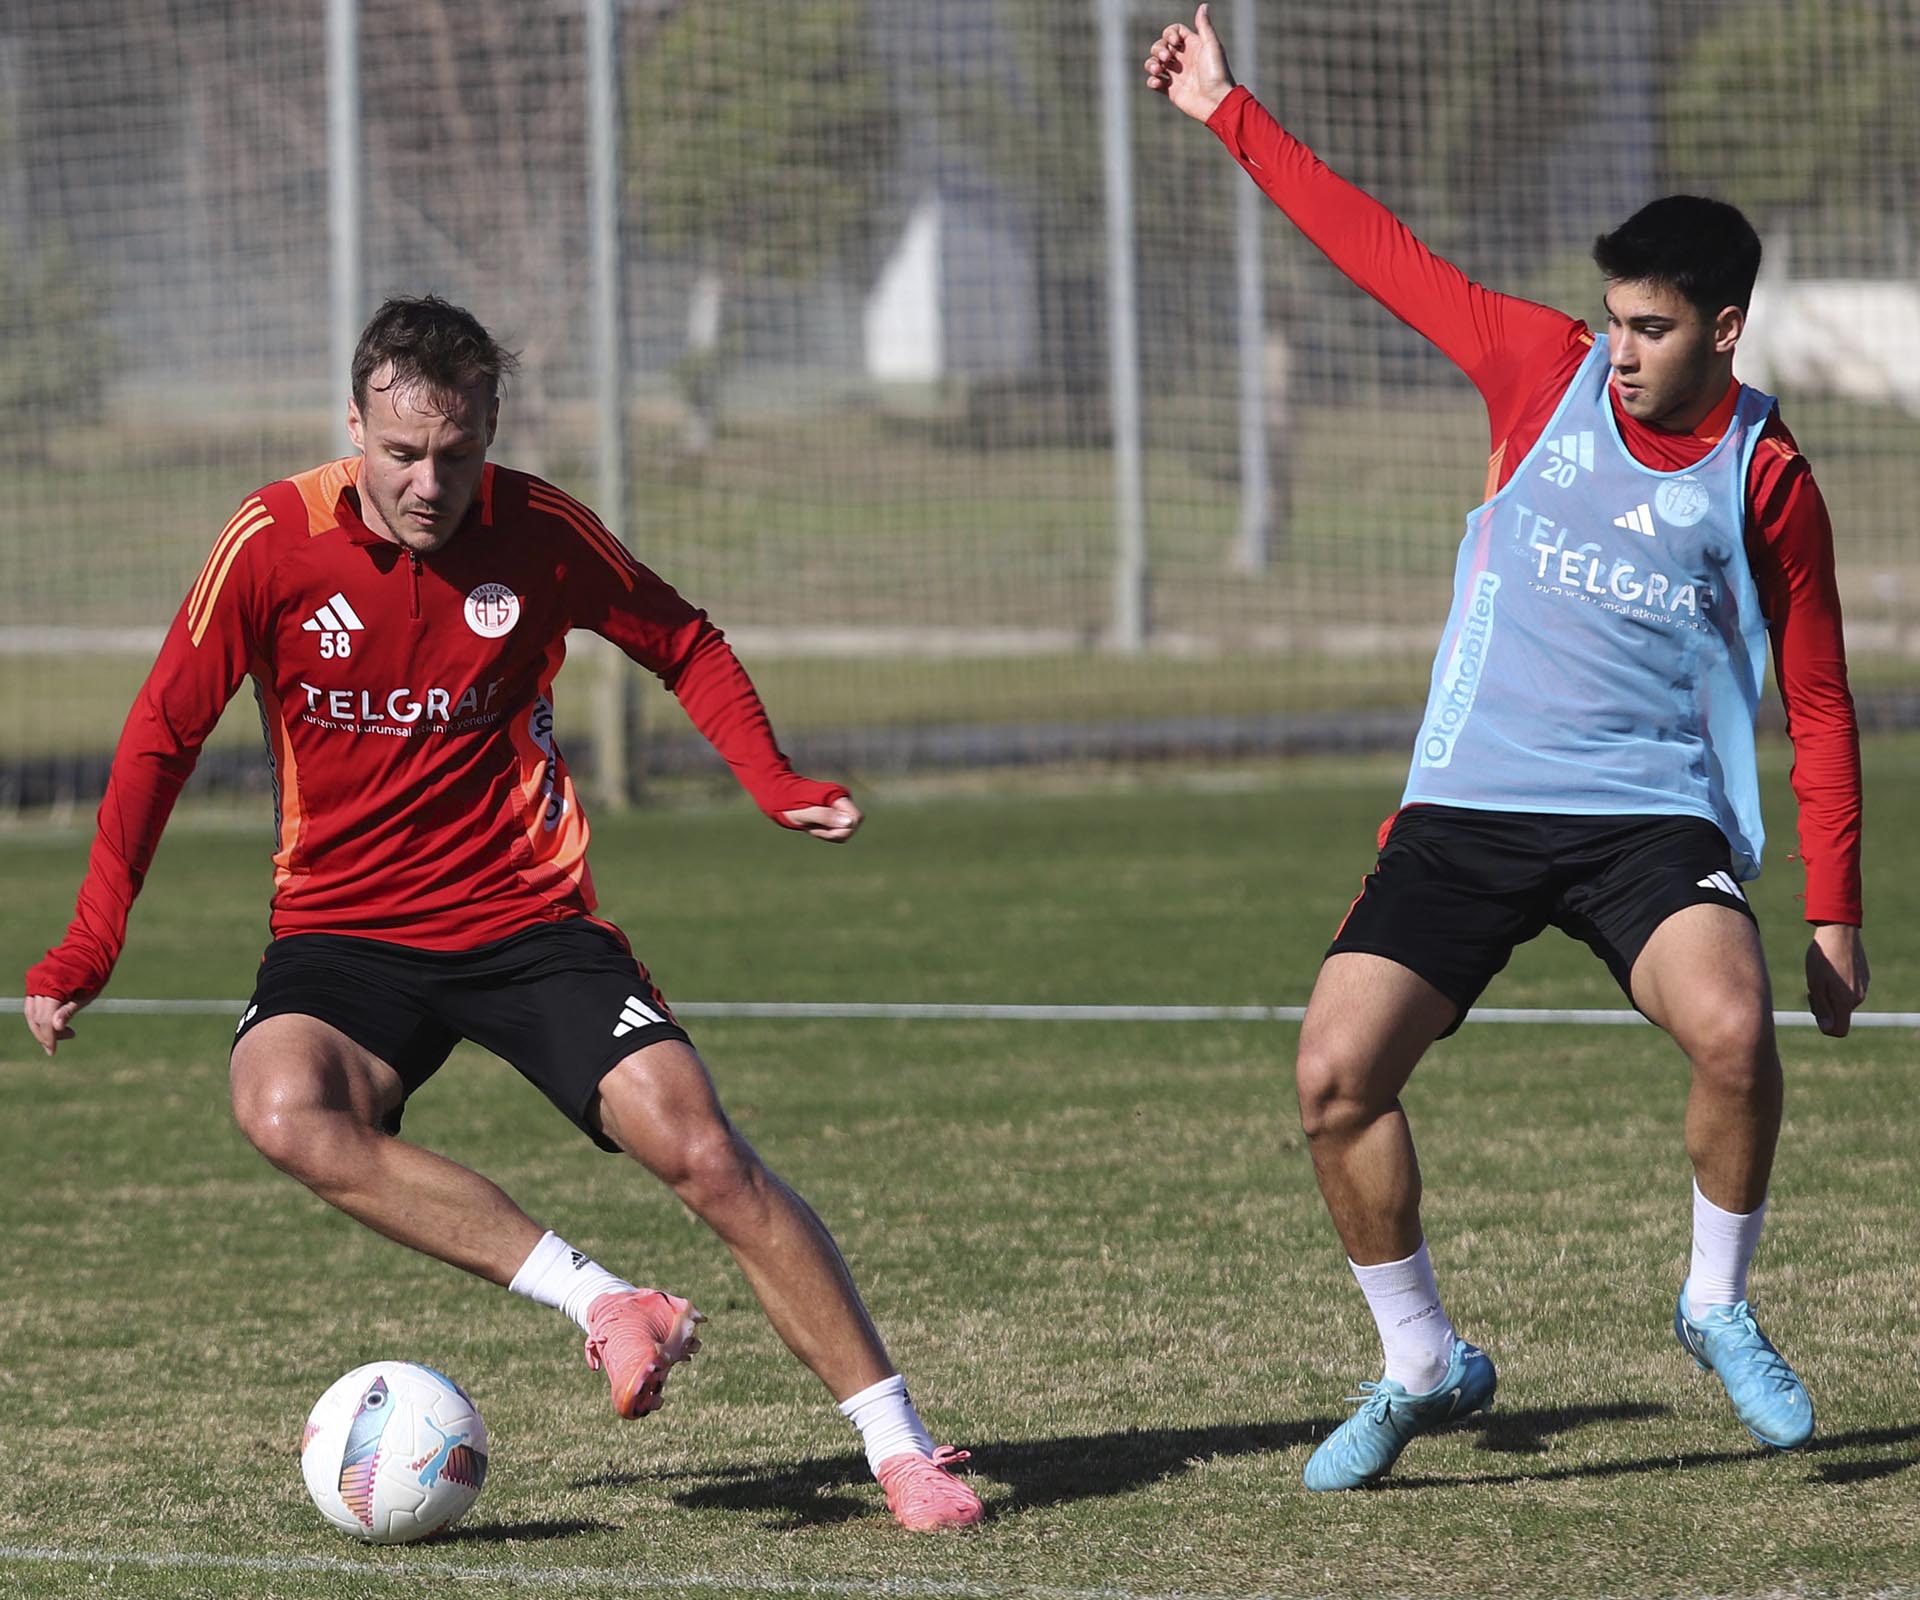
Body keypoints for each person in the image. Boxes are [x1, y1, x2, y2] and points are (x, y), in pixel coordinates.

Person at [22, 295, 983, 1532]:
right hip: (343, 930)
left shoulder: (539, 530)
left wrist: (773, 779)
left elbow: (682, 638)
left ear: (493, 431)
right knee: (281, 1107)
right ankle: (602, 1301)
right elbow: (161, 735)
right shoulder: (268, 542)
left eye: (460, 452)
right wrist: (92, 938)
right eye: (404, 452)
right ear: (355, 427)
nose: (431, 482)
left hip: (526, 917)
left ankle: (902, 1449)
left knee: (700, 1150)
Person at [1146, 8, 1868, 1490]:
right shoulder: (1540, 372)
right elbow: (1375, 246)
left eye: (1652, 327)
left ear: (1725, 329)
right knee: (1334, 1076)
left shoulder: (1769, 472)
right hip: (1470, 804)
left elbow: (1817, 702)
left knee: (1733, 1032)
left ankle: (1716, 1307)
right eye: (1612, 317)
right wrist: (1229, 110)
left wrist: (1835, 911)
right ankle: (1422, 1362)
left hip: (1646, 823)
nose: (1619, 350)